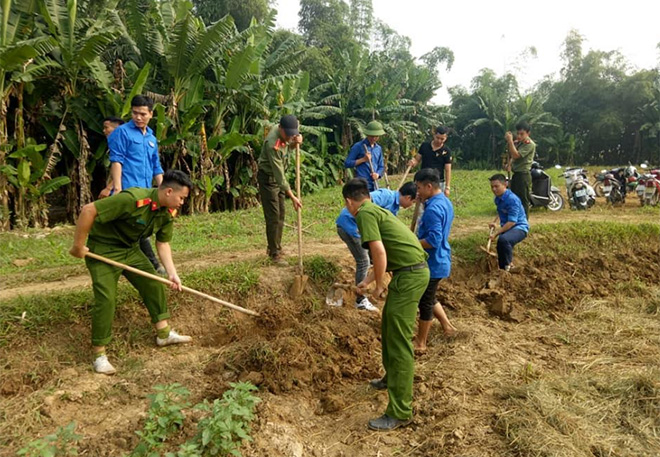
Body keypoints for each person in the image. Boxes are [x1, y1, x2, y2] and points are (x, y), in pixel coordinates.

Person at [69, 170, 194, 375]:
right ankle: (99, 355)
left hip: (130, 250)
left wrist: (172, 273)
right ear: (169, 191)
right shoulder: (133, 199)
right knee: (106, 298)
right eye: (182, 198)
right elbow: (89, 210)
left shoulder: (166, 212)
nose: (182, 203)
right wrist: (78, 246)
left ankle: (163, 333)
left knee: (153, 283)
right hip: (103, 250)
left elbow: (163, 243)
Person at [343, 178, 430, 431]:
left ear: (349, 202)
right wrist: (367, 281)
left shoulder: (363, 214)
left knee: (399, 341)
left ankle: (400, 411)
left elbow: (379, 253)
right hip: (410, 272)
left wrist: (379, 285)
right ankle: (390, 378)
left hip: (409, 276)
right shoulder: (376, 209)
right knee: (389, 328)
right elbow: (388, 252)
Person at [101, 96, 166, 275]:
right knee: (136, 226)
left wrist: (164, 188)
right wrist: (118, 188)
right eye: (135, 113)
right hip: (129, 189)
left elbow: (156, 166)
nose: (138, 117)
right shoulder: (121, 133)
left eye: (143, 114)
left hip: (145, 190)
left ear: (151, 114)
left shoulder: (151, 137)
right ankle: (154, 266)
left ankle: (130, 265)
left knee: (136, 227)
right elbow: (116, 161)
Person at [335, 183, 417, 311]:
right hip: (350, 226)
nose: (411, 206)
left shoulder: (393, 208)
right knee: (364, 261)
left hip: (362, 229)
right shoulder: (385, 196)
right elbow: (364, 205)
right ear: (408, 197)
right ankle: (360, 300)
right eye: (413, 202)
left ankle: (366, 286)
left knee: (375, 259)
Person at [413, 169, 457, 352]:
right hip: (440, 259)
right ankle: (448, 327)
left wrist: (411, 242)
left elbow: (433, 240)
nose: (417, 192)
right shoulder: (444, 202)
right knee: (429, 297)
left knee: (425, 302)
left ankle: (421, 342)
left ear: (429, 186)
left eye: (419, 188)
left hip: (433, 263)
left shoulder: (433, 209)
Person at [257, 114, 303, 265]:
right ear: (281, 129)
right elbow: (279, 175)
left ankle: (277, 246)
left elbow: (288, 147)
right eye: (288, 134)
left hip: (279, 180)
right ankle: (274, 253)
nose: (291, 136)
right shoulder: (272, 144)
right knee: (273, 216)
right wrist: (293, 196)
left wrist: (296, 142)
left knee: (281, 213)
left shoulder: (287, 133)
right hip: (269, 180)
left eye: (293, 133)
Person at [489, 174, 529, 271]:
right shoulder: (498, 198)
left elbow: (512, 222)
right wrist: (495, 222)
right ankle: (503, 269)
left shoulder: (512, 200)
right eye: (492, 187)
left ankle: (510, 266)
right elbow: (501, 211)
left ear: (505, 185)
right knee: (500, 245)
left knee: (504, 240)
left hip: (519, 228)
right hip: (508, 228)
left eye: (496, 186)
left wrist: (496, 233)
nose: (494, 189)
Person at [408, 126, 452, 197]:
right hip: (423, 181)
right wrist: (413, 162)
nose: (439, 141)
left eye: (442, 139)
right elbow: (417, 160)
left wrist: (447, 187)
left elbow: (448, 170)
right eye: (437, 138)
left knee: (436, 203)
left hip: (438, 182)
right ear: (434, 135)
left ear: (446, 138)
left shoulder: (447, 151)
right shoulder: (424, 146)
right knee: (421, 203)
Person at [505, 121, 536, 218]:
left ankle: (524, 223)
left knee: (523, 200)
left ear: (528, 133)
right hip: (516, 174)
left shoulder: (529, 144)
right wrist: (509, 164)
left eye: (522, 134)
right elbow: (512, 157)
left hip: (523, 175)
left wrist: (510, 141)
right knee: (514, 199)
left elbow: (516, 155)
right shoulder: (518, 143)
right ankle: (515, 221)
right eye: (517, 133)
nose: (519, 136)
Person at [344, 121, 386, 192]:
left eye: (376, 136)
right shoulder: (358, 146)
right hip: (361, 184)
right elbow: (347, 163)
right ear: (367, 134)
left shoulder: (378, 148)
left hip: (374, 184)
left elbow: (381, 166)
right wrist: (363, 159)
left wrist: (377, 175)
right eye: (372, 136)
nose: (374, 138)